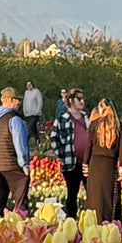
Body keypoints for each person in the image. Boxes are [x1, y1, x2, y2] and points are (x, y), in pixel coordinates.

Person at [0, 86, 31, 214]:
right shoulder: (14, 119)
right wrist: (24, 164)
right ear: (11, 100)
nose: (19, 103)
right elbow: (19, 144)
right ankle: (21, 220)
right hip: (11, 163)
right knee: (20, 197)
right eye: (17, 100)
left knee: (1, 196)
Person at [84, 96, 122, 222]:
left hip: (95, 164)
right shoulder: (117, 127)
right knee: (108, 197)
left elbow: (88, 146)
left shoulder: (94, 125)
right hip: (109, 164)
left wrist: (85, 165)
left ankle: (93, 224)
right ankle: (108, 223)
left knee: (94, 197)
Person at [50, 88, 88, 218]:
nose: (82, 101)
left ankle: (91, 220)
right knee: (72, 193)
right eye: (79, 99)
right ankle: (71, 220)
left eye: (83, 99)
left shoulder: (87, 119)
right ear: (71, 100)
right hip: (70, 163)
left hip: (87, 163)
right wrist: (62, 154)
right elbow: (53, 138)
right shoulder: (62, 119)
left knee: (91, 193)